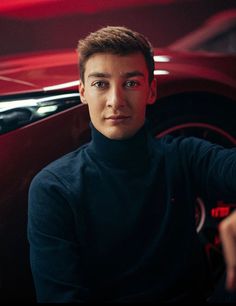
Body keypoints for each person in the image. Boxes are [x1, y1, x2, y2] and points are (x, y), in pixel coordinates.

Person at [27, 26, 236, 303]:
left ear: (151, 91)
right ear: (82, 92)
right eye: (101, 84)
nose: (116, 101)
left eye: (131, 83)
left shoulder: (185, 156)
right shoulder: (53, 188)